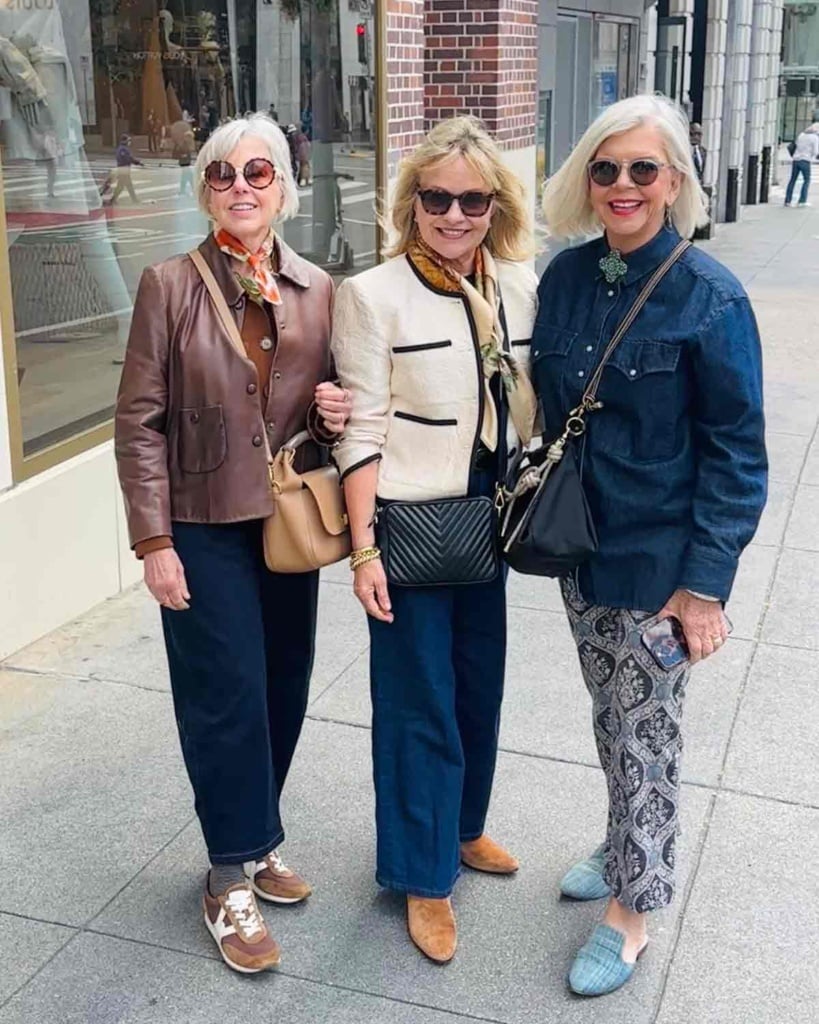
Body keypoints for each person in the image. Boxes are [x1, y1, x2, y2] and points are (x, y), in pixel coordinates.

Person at [536, 94, 767, 996]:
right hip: (581, 554)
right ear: (586, 182)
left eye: (642, 169)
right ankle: (619, 837)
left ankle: (632, 909)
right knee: (612, 716)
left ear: (673, 181)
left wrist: (703, 587)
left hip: (658, 568)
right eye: (605, 169)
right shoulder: (564, 279)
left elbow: (736, 453)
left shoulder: (709, 298)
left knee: (646, 733)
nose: (622, 185)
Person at [115, 113, 352, 975]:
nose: (241, 187)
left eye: (259, 172)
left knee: (282, 686)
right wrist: (153, 540)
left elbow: (325, 401)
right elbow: (138, 421)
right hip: (201, 523)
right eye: (223, 174)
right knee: (225, 693)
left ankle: (255, 839)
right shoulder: (168, 285)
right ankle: (226, 876)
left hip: (285, 524)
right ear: (204, 188)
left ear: (284, 186)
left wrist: (334, 412)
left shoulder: (318, 288)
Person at [332, 116, 539, 964]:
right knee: (417, 704)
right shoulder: (373, 294)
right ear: (410, 201)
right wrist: (363, 549)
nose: (453, 214)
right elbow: (362, 430)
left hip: (491, 516)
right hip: (413, 524)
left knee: (476, 687)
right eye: (436, 198)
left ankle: (461, 828)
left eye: (472, 199)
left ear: (497, 205)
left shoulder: (521, 287)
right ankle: (420, 875)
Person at [785, 123, 819, 208]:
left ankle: (787, 200)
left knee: (792, 180)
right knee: (806, 180)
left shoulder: (801, 135)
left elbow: (796, 145)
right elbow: (816, 152)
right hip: (805, 160)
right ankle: (802, 201)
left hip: (796, 160)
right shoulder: (814, 138)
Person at [110, 133, 143, 204]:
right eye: (128, 141)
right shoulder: (123, 149)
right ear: (124, 141)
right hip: (123, 170)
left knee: (123, 186)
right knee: (126, 186)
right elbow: (128, 159)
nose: (129, 142)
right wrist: (137, 162)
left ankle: (113, 200)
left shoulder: (122, 148)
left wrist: (137, 162)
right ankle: (134, 200)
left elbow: (129, 158)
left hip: (124, 170)